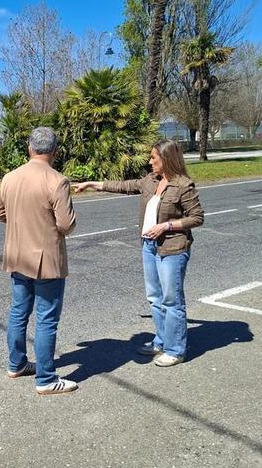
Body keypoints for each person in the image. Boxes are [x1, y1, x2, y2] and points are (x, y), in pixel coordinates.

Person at [74, 139, 204, 367]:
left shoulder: (184, 185)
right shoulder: (150, 181)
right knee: (155, 298)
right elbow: (125, 186)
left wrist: (167, 226)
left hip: (172, 249)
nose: (150, 161)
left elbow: (197, 217)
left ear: (167, 159)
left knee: (172, 300)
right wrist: (93, 184)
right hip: (149, 247)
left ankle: (176, 350)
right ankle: (162, 341)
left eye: (154, 157)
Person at [0, 127, 78, 395]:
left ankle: (16, 363)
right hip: (46, 260)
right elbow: (66, 225)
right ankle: (45, 378)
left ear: (30, 148)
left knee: (18, 313)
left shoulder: (10, 177)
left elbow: (0, 214)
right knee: (46, 319)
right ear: (54, 151)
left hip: (18, 255)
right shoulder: (57, 180)